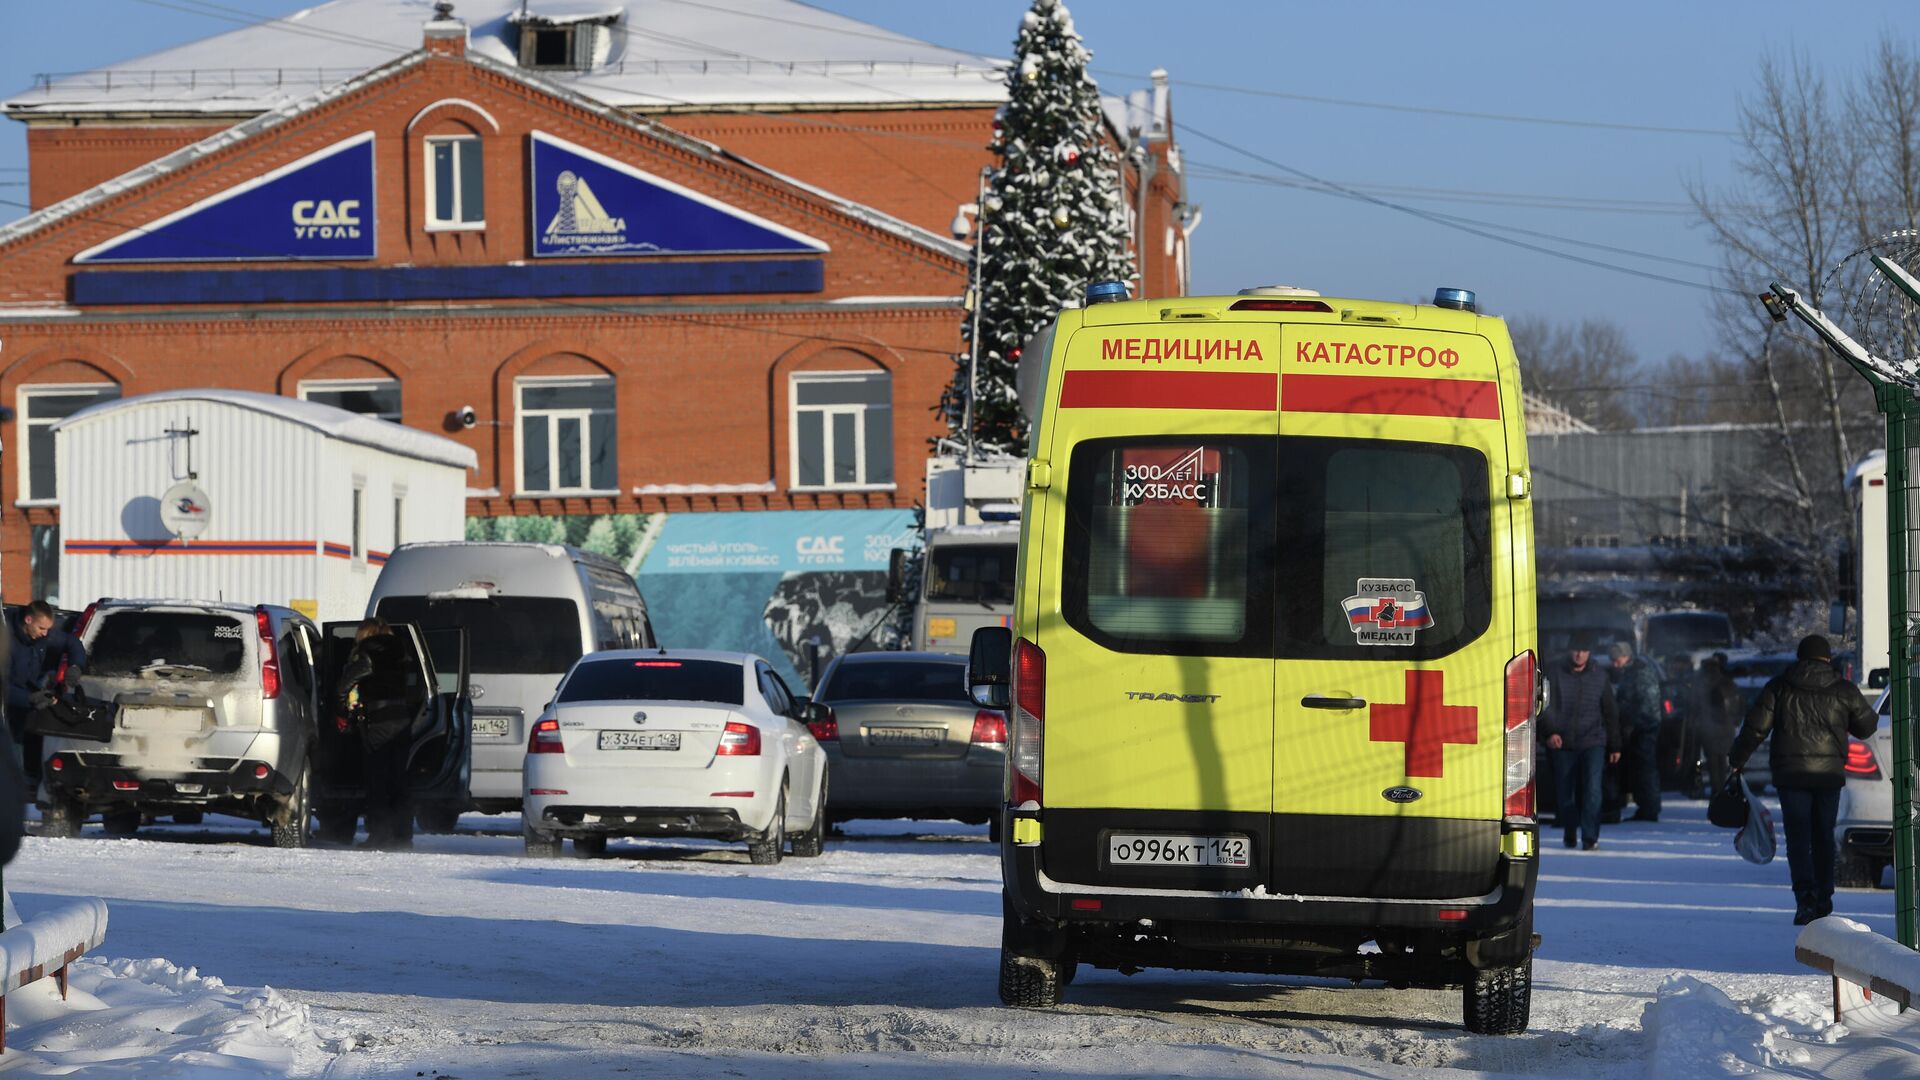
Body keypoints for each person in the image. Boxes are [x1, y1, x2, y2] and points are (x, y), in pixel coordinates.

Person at [1729, 634, 1877, 925]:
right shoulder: (1842, 689)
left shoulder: (1779, 687)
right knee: (1823, 836)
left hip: (1791, 775)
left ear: (1800, 656)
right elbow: (1867, 726)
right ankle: (1824, 897)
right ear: (1827, 658)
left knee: (1798, 839)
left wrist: (1736, 760)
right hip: (1828, 775)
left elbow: (1756, 728)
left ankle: (1805, 899)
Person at [337, 618, 419, 851]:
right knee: (399, 779)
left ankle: (379, 836)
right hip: (401, 718)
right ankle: (403, 836)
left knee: (378, 780)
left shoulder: (366, 653)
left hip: (377, 721)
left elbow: (344, 686)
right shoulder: (402, 653)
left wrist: (342, 709)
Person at [1541, 633, 1622, 850]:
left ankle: (1590, 837)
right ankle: (1569, 830)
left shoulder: (1599, 676)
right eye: (1576, 650)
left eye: (1584, 651)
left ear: (1589, 653)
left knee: (1592, 791)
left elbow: (1610, 710)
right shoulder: (1555, 672)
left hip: (1593, 741)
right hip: (1563, 742)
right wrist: (1549, 732)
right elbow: (1544, 705)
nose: (1579, 655)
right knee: (1565, 794)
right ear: (1569, 650)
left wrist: (1615, 744)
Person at [5, 601, 85, 782]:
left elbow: (71, 642)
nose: (45, 633)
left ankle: (31, 776)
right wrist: (29, 698)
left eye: (48, 629)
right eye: (41, 628)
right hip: (9, 703)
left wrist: (76, 665)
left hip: (28, 697)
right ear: (28, 620)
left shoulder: (44, 636)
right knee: (13, 743)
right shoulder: (6, 640)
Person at [1608, 640, 1665, 822]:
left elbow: (1648, 705)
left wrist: (1634, 724)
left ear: (1626, 656)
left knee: (1645, 769)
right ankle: (1645, 805)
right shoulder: (1629, 672)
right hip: (1635, 728)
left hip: (1644, 728)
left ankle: (1650, 808)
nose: (1614, 663)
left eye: (1616, 659)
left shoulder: (1641, 673)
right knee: (1638, 769)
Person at [1688, 653, 1743, 799]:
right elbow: (1739, 705)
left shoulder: (1702, 684)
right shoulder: (1728, 682)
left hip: (1709, 727)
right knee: (1723, 760)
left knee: (1712, 761)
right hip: (1727, 727)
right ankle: (1724, 789)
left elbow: (1695, 706)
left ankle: (1716, 790)